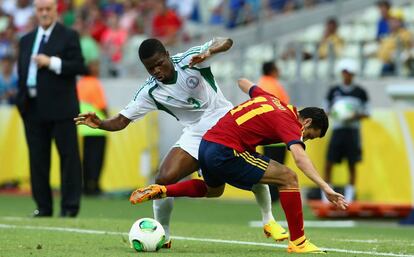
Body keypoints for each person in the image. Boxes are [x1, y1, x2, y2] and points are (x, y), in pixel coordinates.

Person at [75, 38, 287, 247]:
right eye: (150, 68)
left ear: (167, 54)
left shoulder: (189, 60)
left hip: (226, 122)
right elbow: (121, 121)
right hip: (195, 134)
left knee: (254, 170)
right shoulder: (150, 92)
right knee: (163, 178)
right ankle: (163, 234)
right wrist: (101, 123)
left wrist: (210, 51)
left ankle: (268, 219)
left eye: (159, 63)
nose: (157, 70)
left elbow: (227, 41)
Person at [129, 78, 347, 254]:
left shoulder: (272, 100)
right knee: (288, 177)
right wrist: (325, 187)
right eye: (309, 135)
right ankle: (298, 241)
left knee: (213, 190)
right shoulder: (290, 123)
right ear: (306, 122)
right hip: (226, 150)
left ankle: (163, 190)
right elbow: (300, 158)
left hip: (206, 144)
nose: (305, 139)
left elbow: (243, 82)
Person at [16, 0, 86, 217]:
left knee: (68, 159)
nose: (44, 13)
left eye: (48, 9)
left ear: (56, 10)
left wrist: (52, 62)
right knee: (37, 161)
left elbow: (79, 66)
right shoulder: (26, 39)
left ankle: (69, 208)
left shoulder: (68, 35)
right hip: (33, 108)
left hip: (61, 108)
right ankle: (44, 207)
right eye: (40, 9)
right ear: (35, 11)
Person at [324, 59, 369, 203]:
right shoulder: (333, 91)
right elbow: (326, 109)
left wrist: (353, 115)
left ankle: (349, 197)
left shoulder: (360, 92)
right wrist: (336, 113)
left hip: (352, 131)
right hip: (337, 130)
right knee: (329, 161)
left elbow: (367, 112)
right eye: (344, 73)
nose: (346, 76)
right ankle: (326, 194)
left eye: (348, 73)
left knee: (352, 163)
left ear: (353, 74)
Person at [257, 61, 290, 202]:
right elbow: (281, 109)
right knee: (278, 167)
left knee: (267, 165)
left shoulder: (260, 84)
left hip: (264, 133)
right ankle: (275, 196)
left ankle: (269, 195)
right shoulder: (274, 86)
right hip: (276, 135)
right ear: (272, 71)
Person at [76, 60, 108, 196]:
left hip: (83, 127)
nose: (98, 68)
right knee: (97, 158)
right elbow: (101, 105)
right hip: (97, 126)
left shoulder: (80, 83)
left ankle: (85, 186)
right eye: (96, 66)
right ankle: (95, 186)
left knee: (86, 158)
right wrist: (107, 119)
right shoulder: (95, 83)